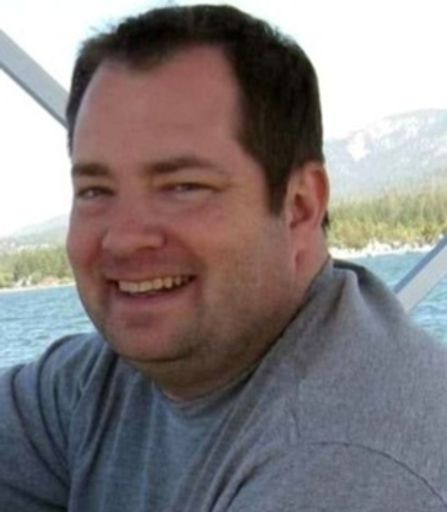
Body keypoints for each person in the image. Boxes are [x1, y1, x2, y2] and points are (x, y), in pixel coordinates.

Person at [1, 4, 447, 511]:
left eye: (183, 186)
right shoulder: (100, 384)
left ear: (300, 208)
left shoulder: (341, 461)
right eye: (95, 191)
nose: (124, 239)